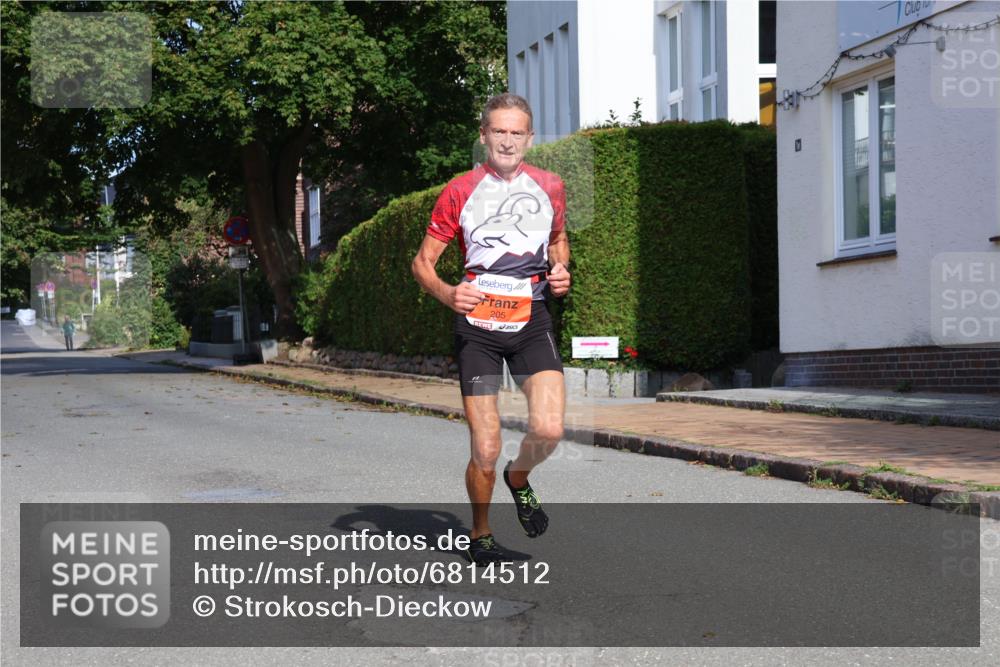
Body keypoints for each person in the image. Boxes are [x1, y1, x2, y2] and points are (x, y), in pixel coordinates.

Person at [412, 93, 571, 565]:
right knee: (485, 445)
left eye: (516, 132)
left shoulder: (550, 186)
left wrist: (561, 271)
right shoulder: (459, 191)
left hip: (531, 321)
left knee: (549, 428)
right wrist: (448, 293)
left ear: (530, 138)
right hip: (477, 328)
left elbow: (558, 241)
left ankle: (518, 478)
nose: (507, 140)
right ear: (483, 136)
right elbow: (422, 264)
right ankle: (480, 533)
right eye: (498, 131)